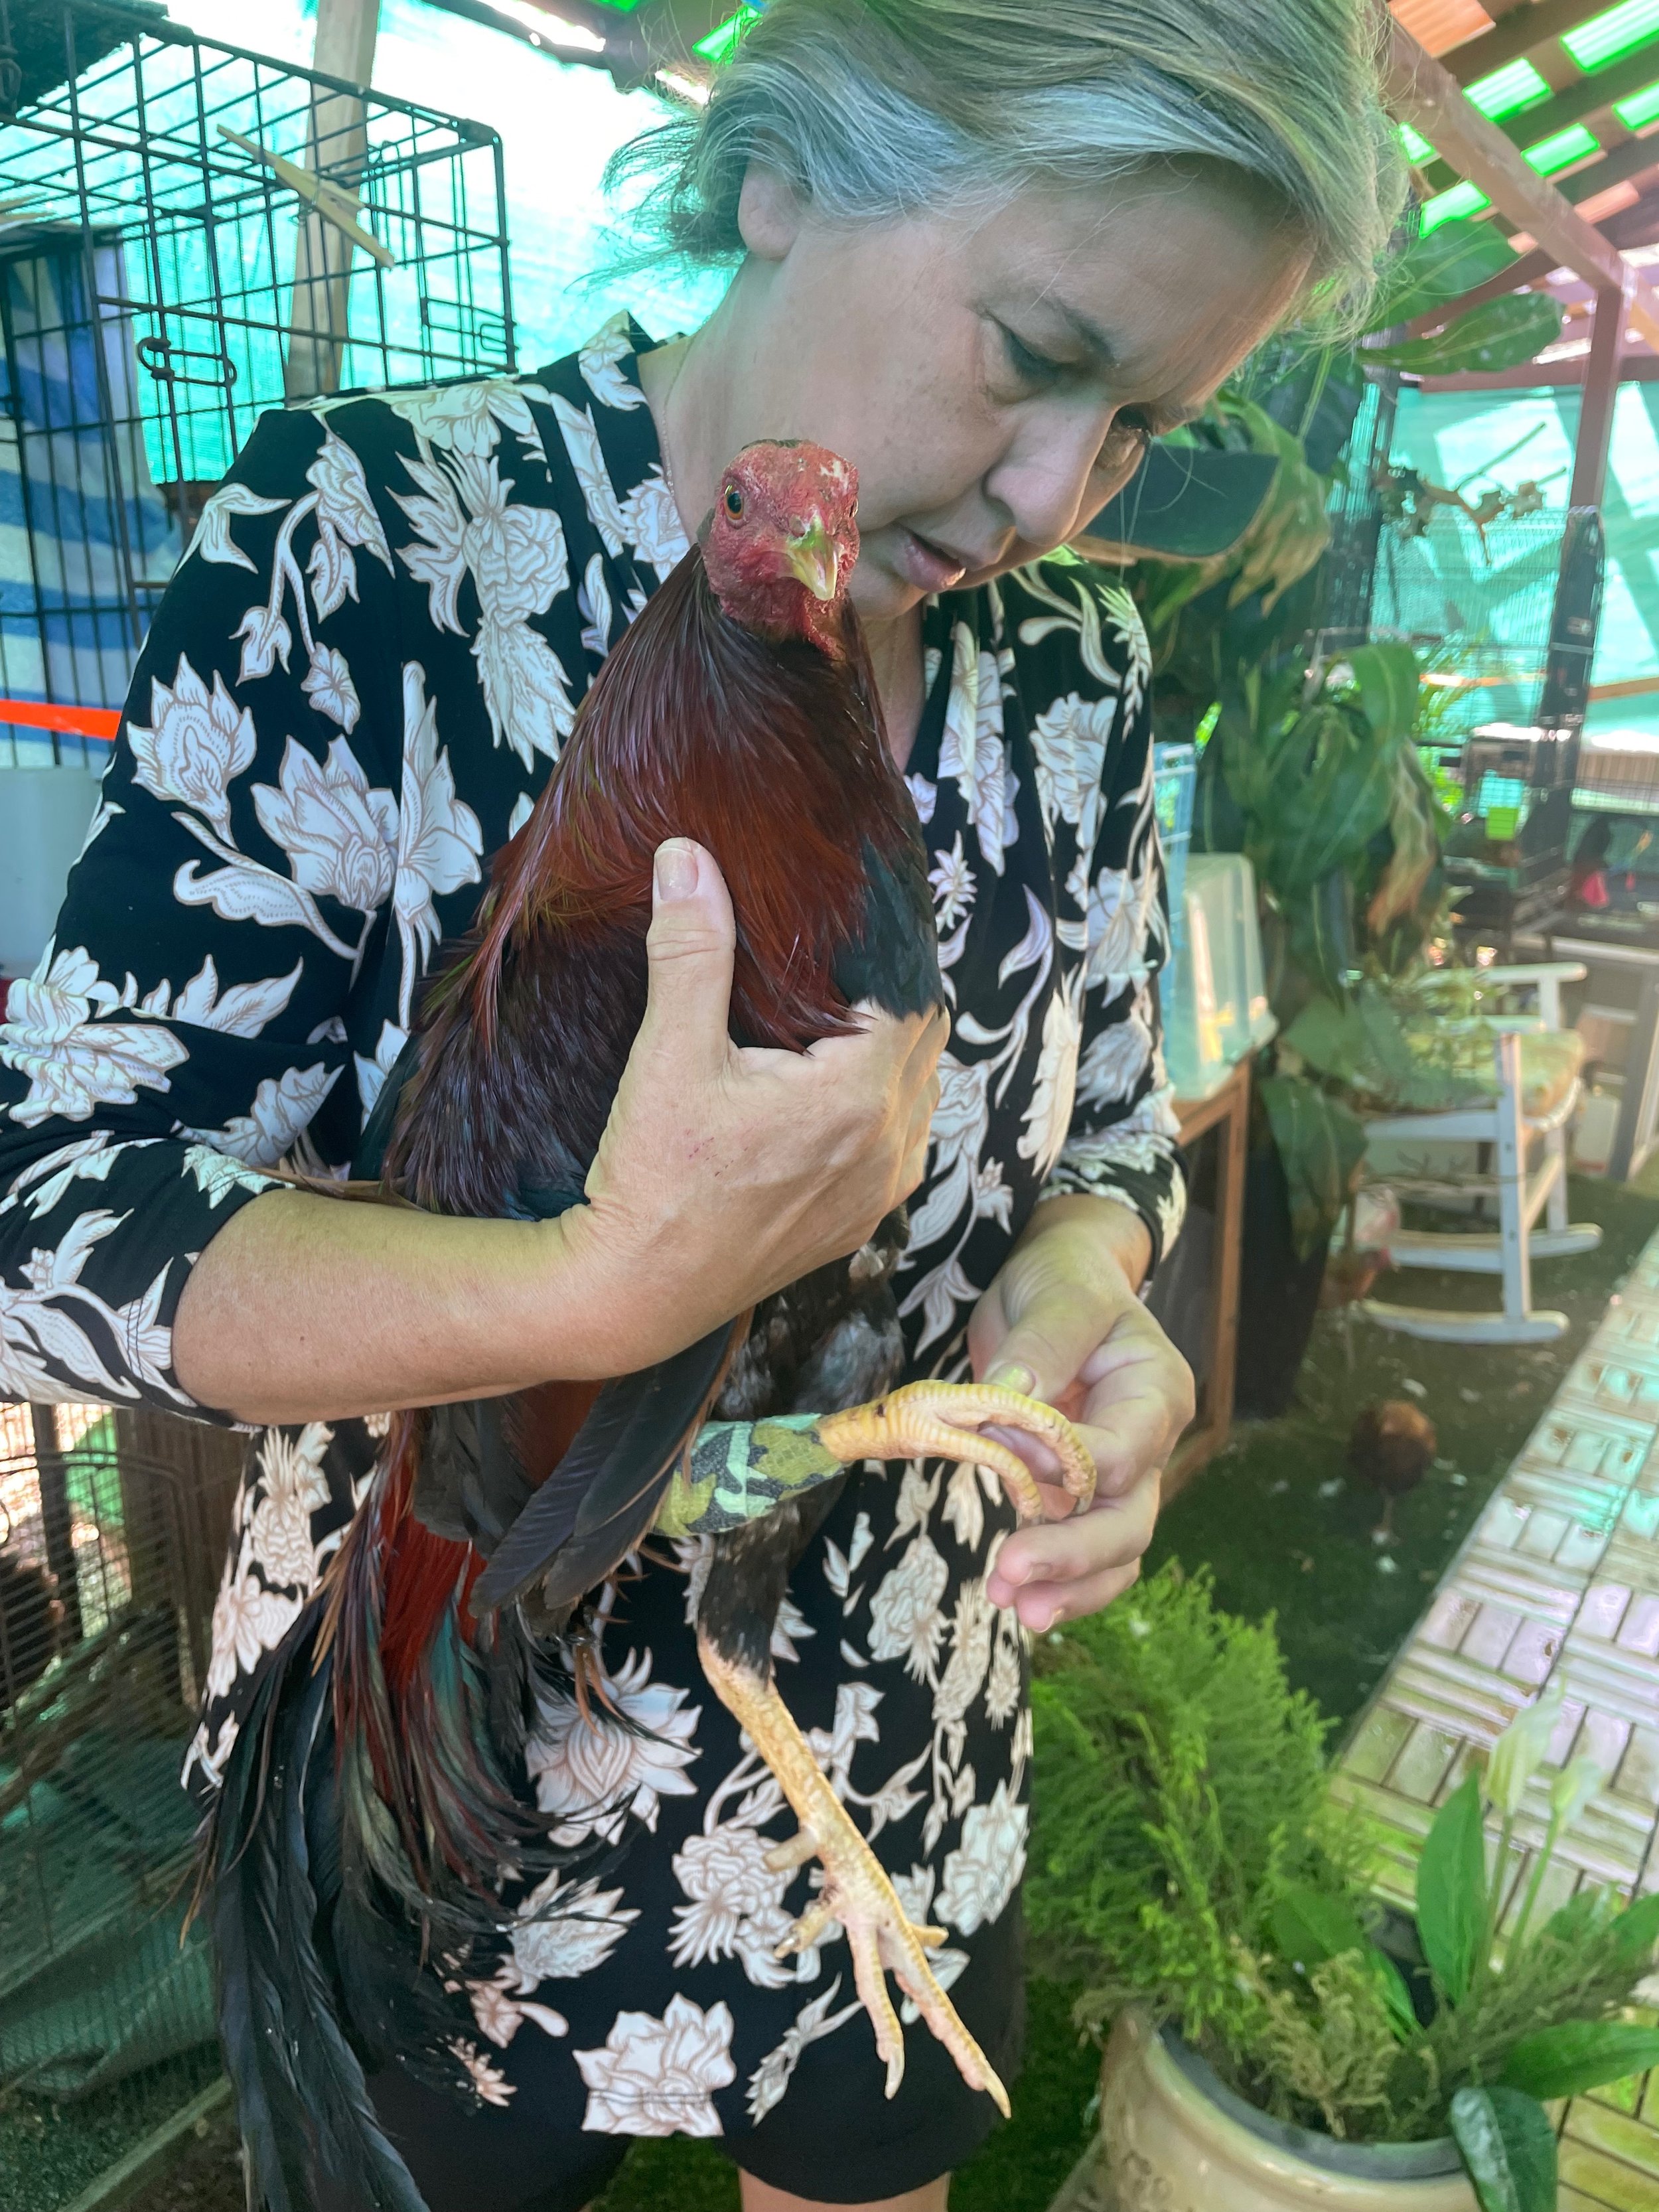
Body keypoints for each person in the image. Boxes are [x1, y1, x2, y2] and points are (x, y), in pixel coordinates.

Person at [0, 1, 1403, 2205]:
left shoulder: (1074, 672)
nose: (1051, 497)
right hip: (459, 1747)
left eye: (1140, 423)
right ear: (780, 176)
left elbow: (1111, 1128)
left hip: (880, 1745)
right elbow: (53, 1220)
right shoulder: (373, 541)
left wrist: (1089, 1298)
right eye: (1035, 353)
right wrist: (593, 1288)